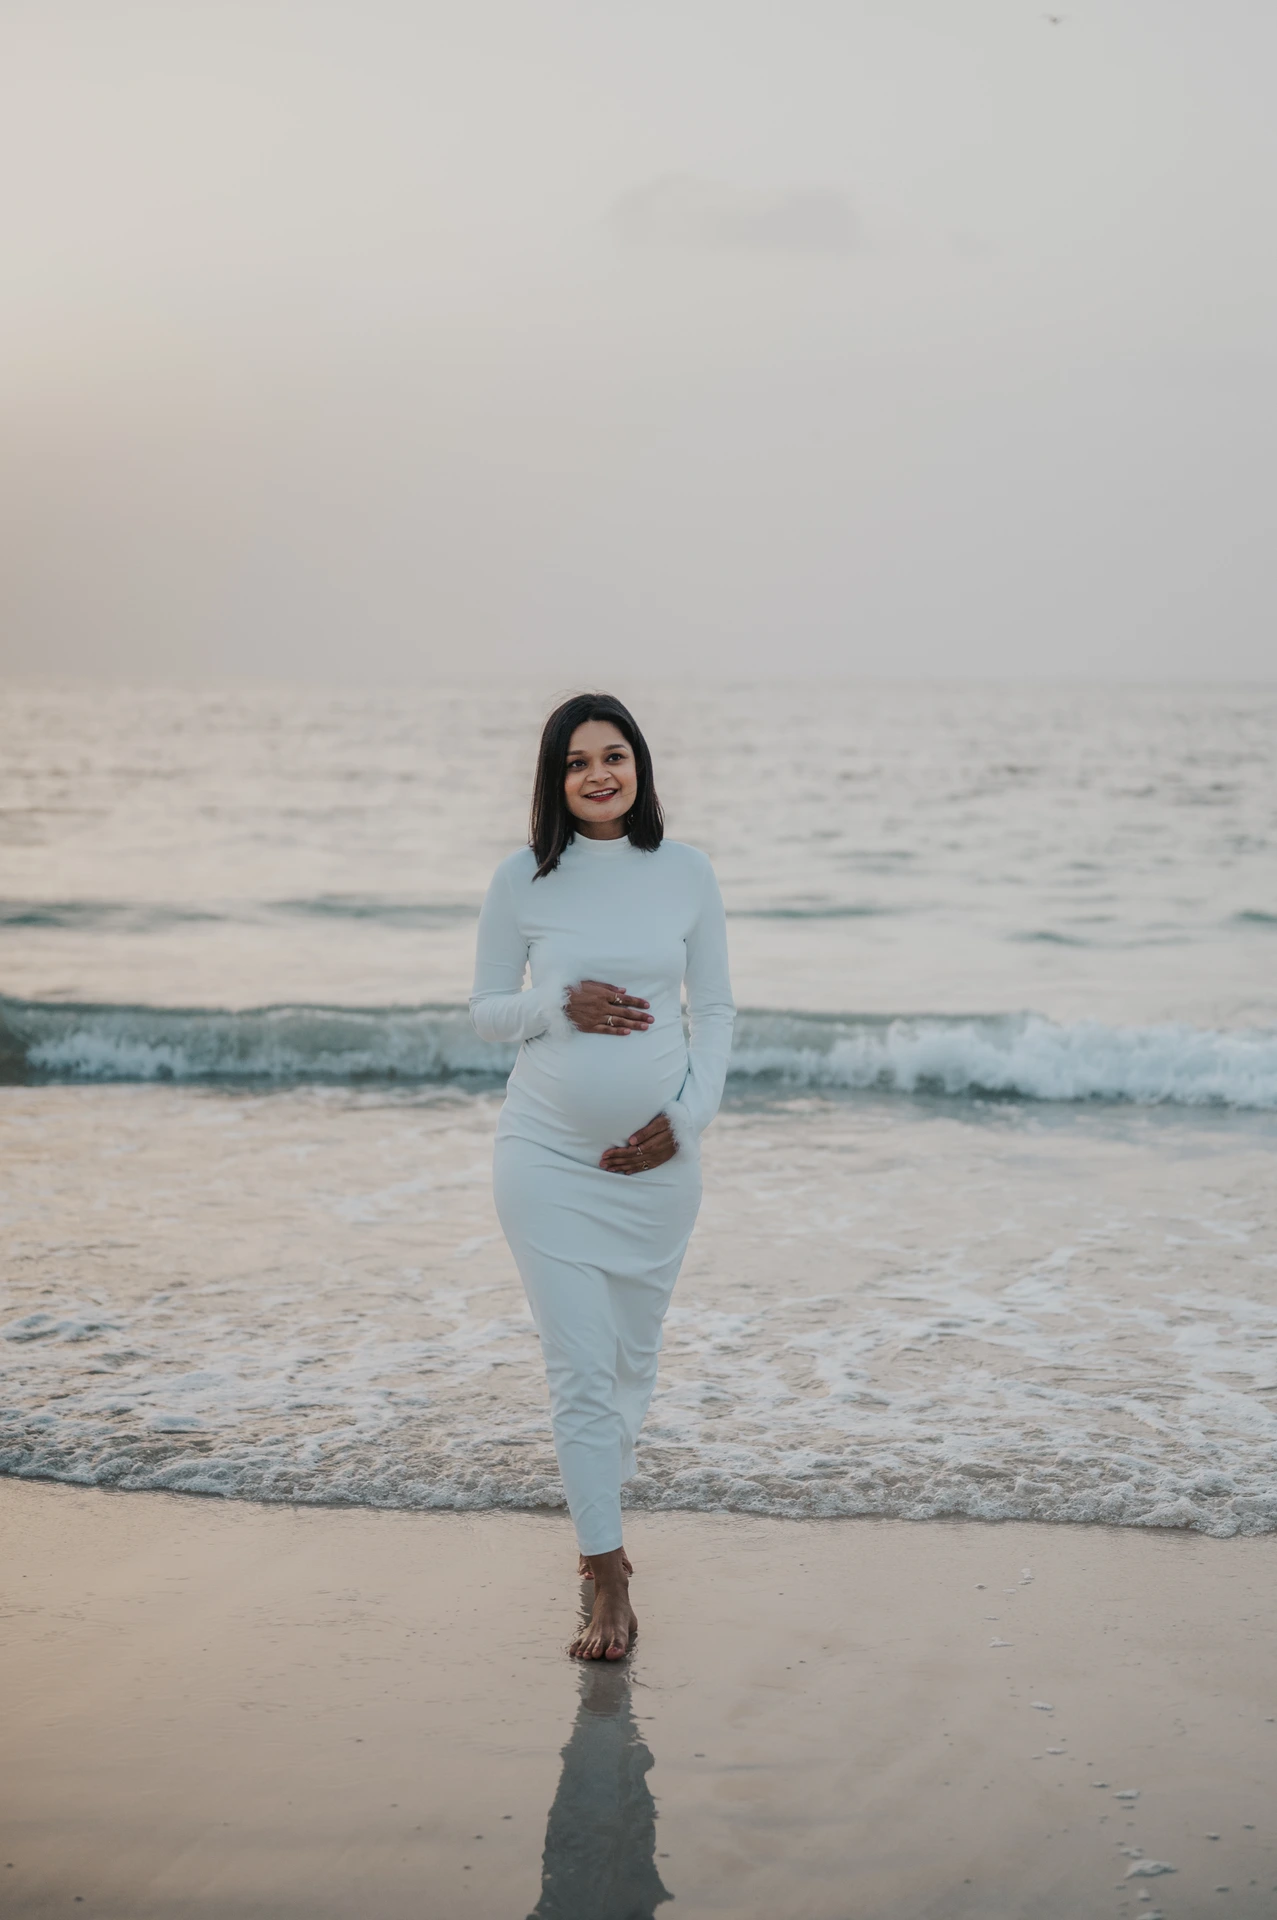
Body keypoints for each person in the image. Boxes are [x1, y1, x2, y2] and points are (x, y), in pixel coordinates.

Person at [470, 693, 735, 1659]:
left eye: (613, 755)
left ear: (639, 766)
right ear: (554, 778)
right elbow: (487, 1009)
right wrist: (554, 1003)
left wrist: (683, 1122)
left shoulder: (687, 874)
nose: (598, 774)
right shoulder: (522, 881)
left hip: (658, 1167)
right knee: (580, 1371)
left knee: (629, 1364)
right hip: (543, 1159)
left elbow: (718, 1013)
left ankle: (592, 1525)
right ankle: (608, 1576)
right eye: (577, 761)